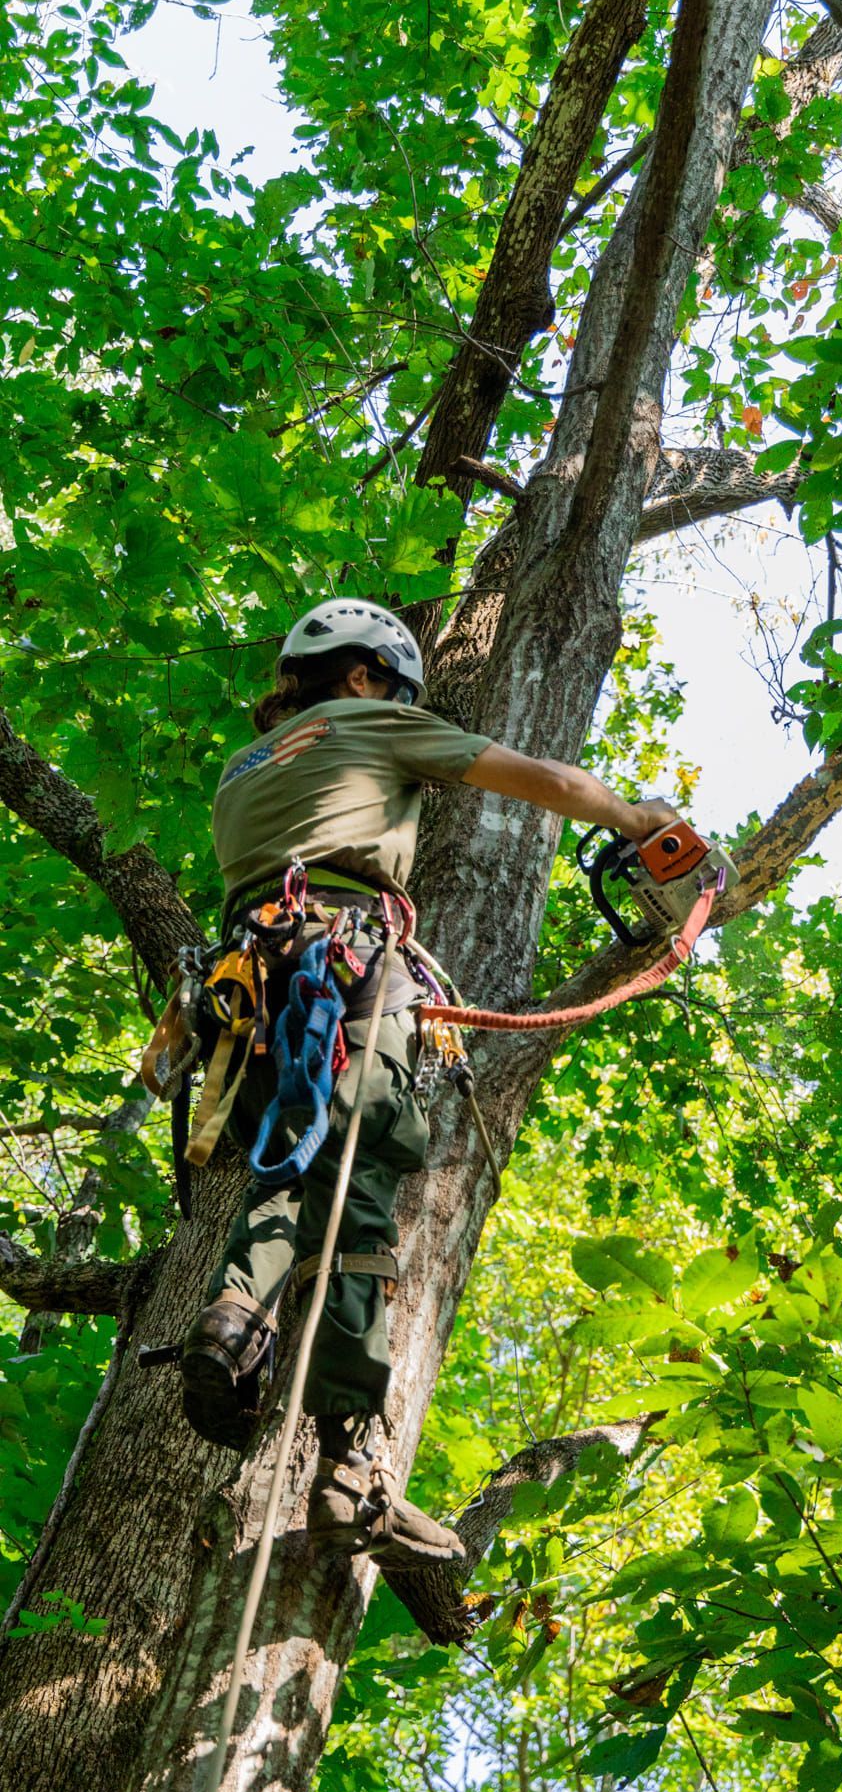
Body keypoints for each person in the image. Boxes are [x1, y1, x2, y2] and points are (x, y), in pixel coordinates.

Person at [182, 598, 677, 1569]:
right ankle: (348, 1474)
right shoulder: (372, 718)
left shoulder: (245, 771)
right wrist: (635, 813)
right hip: (345, 967)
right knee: (361, 1189)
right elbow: (531, 775)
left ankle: (234, 1317)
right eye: (393, 687)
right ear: (365, 675)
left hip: (245, 991)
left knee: (289, 1167)